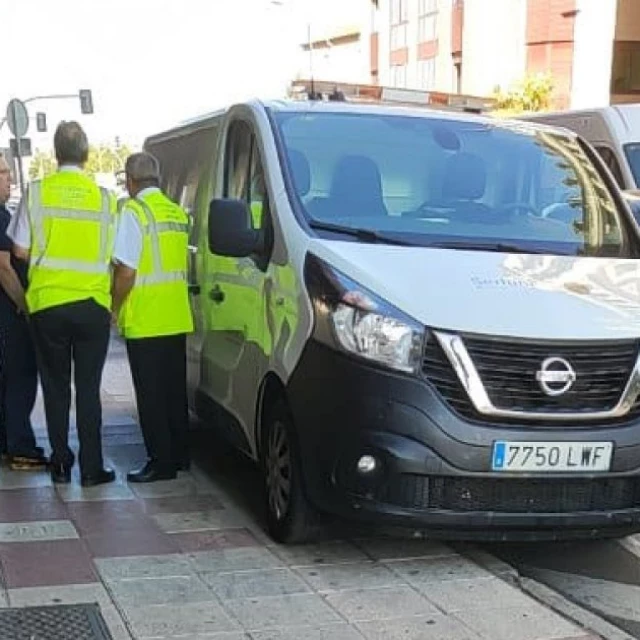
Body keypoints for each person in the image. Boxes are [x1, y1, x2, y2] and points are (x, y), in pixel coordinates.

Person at [8, 121, 118, 486]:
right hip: (92, 305)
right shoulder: (104, 199)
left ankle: (60, 462)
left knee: (55, 387)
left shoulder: (36, 193)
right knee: (88, 388)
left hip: (48, 306)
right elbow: (117, 256)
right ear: (86, 155)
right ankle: (92, 468)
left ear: (56, 153)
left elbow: (19, 250)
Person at [112, 152, 193, 483]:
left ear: (130, 182)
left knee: (150, 396)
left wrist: (114, 307)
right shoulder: (175, 212)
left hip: (146, 318)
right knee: (175, 392)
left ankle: (160, 462)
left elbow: (127, 271)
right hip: (176, 316)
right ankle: (180, 455)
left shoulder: (134, 212)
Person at [0, 154, 47, 471]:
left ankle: (8, 442)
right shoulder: (0, 218)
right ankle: (20, 447)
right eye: (3, 172)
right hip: (8, 315)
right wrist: (25, 304)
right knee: (20, 377)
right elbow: (4, 267)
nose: (9, 178)